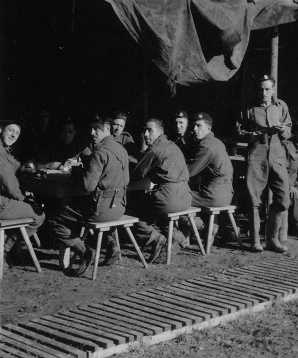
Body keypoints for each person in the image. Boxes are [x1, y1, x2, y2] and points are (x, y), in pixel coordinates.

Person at [48, 116, 129, 276]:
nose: (92, 132)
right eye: (91, 128)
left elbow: (87, 186)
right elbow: (125, 179)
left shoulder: (100, 151)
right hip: (119, 207)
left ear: (107, 129)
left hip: (101, 210)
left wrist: (78, 172)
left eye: (96, 129)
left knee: (53, 215)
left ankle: (83, 250)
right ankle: (108, 242)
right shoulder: (122, 149)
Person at [236, 74, 292, 253]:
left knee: (283, 197)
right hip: (257, 153)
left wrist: (283, 130)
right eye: (261, 89)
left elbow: (289, 130)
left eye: (267, 89)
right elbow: (239, 130)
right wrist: (251, 135)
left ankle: (272, 239)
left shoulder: (281, 106)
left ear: (273, 89)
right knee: (254, 198)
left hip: (277, 153)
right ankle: (255, 241)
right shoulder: (249, 108)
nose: (264, 93)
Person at [127, 118, 191, 263]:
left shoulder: (155, 150)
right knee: (153, 207)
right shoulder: (171, 145)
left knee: (128, 209)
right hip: (186, 196)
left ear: (160, 132)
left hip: (169, 197)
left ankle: (154, 239)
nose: (145, 134)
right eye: (144, 130)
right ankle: (177, 237)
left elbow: (137, 174)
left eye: (150, 130)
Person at [0, 122, 45, 266]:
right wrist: (24, 199)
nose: (13, 135)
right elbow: (10, 185)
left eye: (17, 133)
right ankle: (6, 247)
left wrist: (31, 170)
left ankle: (7, 242)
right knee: (38, 215)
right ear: (1, 130)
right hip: (1, 204)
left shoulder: (5, 150)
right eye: (10, 130)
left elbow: (16, 166)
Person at [185, 112, 234, 242]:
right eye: (194, 126)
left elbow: (189, 172)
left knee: (178, 198)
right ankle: (219, 229)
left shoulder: (206, 145)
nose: (195, 129)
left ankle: (195, 229)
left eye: (199, 126)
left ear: (208, 128)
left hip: (214, 195)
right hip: (226, 193)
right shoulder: (217, 142)